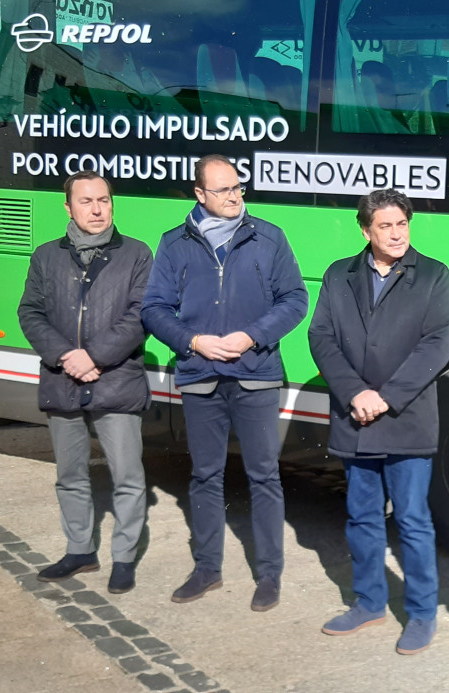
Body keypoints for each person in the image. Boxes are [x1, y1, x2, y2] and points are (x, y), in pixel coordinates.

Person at [141, 154, 308, 612]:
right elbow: (154, 308)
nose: (234, 196)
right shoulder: (174, 244)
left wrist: (252, 335)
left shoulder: (268, 237)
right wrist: (193, 341)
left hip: (255, 375)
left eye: (238, 187)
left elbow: (295, 298)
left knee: (264, 476)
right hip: (199, 376)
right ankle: (207, 569)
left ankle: (269, 574)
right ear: (199, 195)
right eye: (223, 190)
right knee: (204, 475)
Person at [308, 188, 449, 655]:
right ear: (366, 230)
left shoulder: (434, 275)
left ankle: (421, 613)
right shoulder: (339, 275)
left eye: (402, 225)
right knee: (361, 516)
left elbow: (436, 345)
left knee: (413, 520)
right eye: (385, 227)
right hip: (356, 418)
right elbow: (322, 337)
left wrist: (385, 397)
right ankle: (369, 602)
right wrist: (356, 393)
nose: (396, 234)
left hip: (406, 419)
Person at [17, 170, 152, 594]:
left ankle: (124, 557)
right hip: (63, 382)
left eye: (104, 201)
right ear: (68, 207)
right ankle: (80, 550)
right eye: (86, 201)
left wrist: (93, 356)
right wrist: (66, 356)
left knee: (127, 476)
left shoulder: (136, 254)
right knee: (70, 474)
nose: (97, 209)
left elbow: (139, 315)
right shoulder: (45, 256)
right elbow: (30, 313)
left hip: (116, 381)